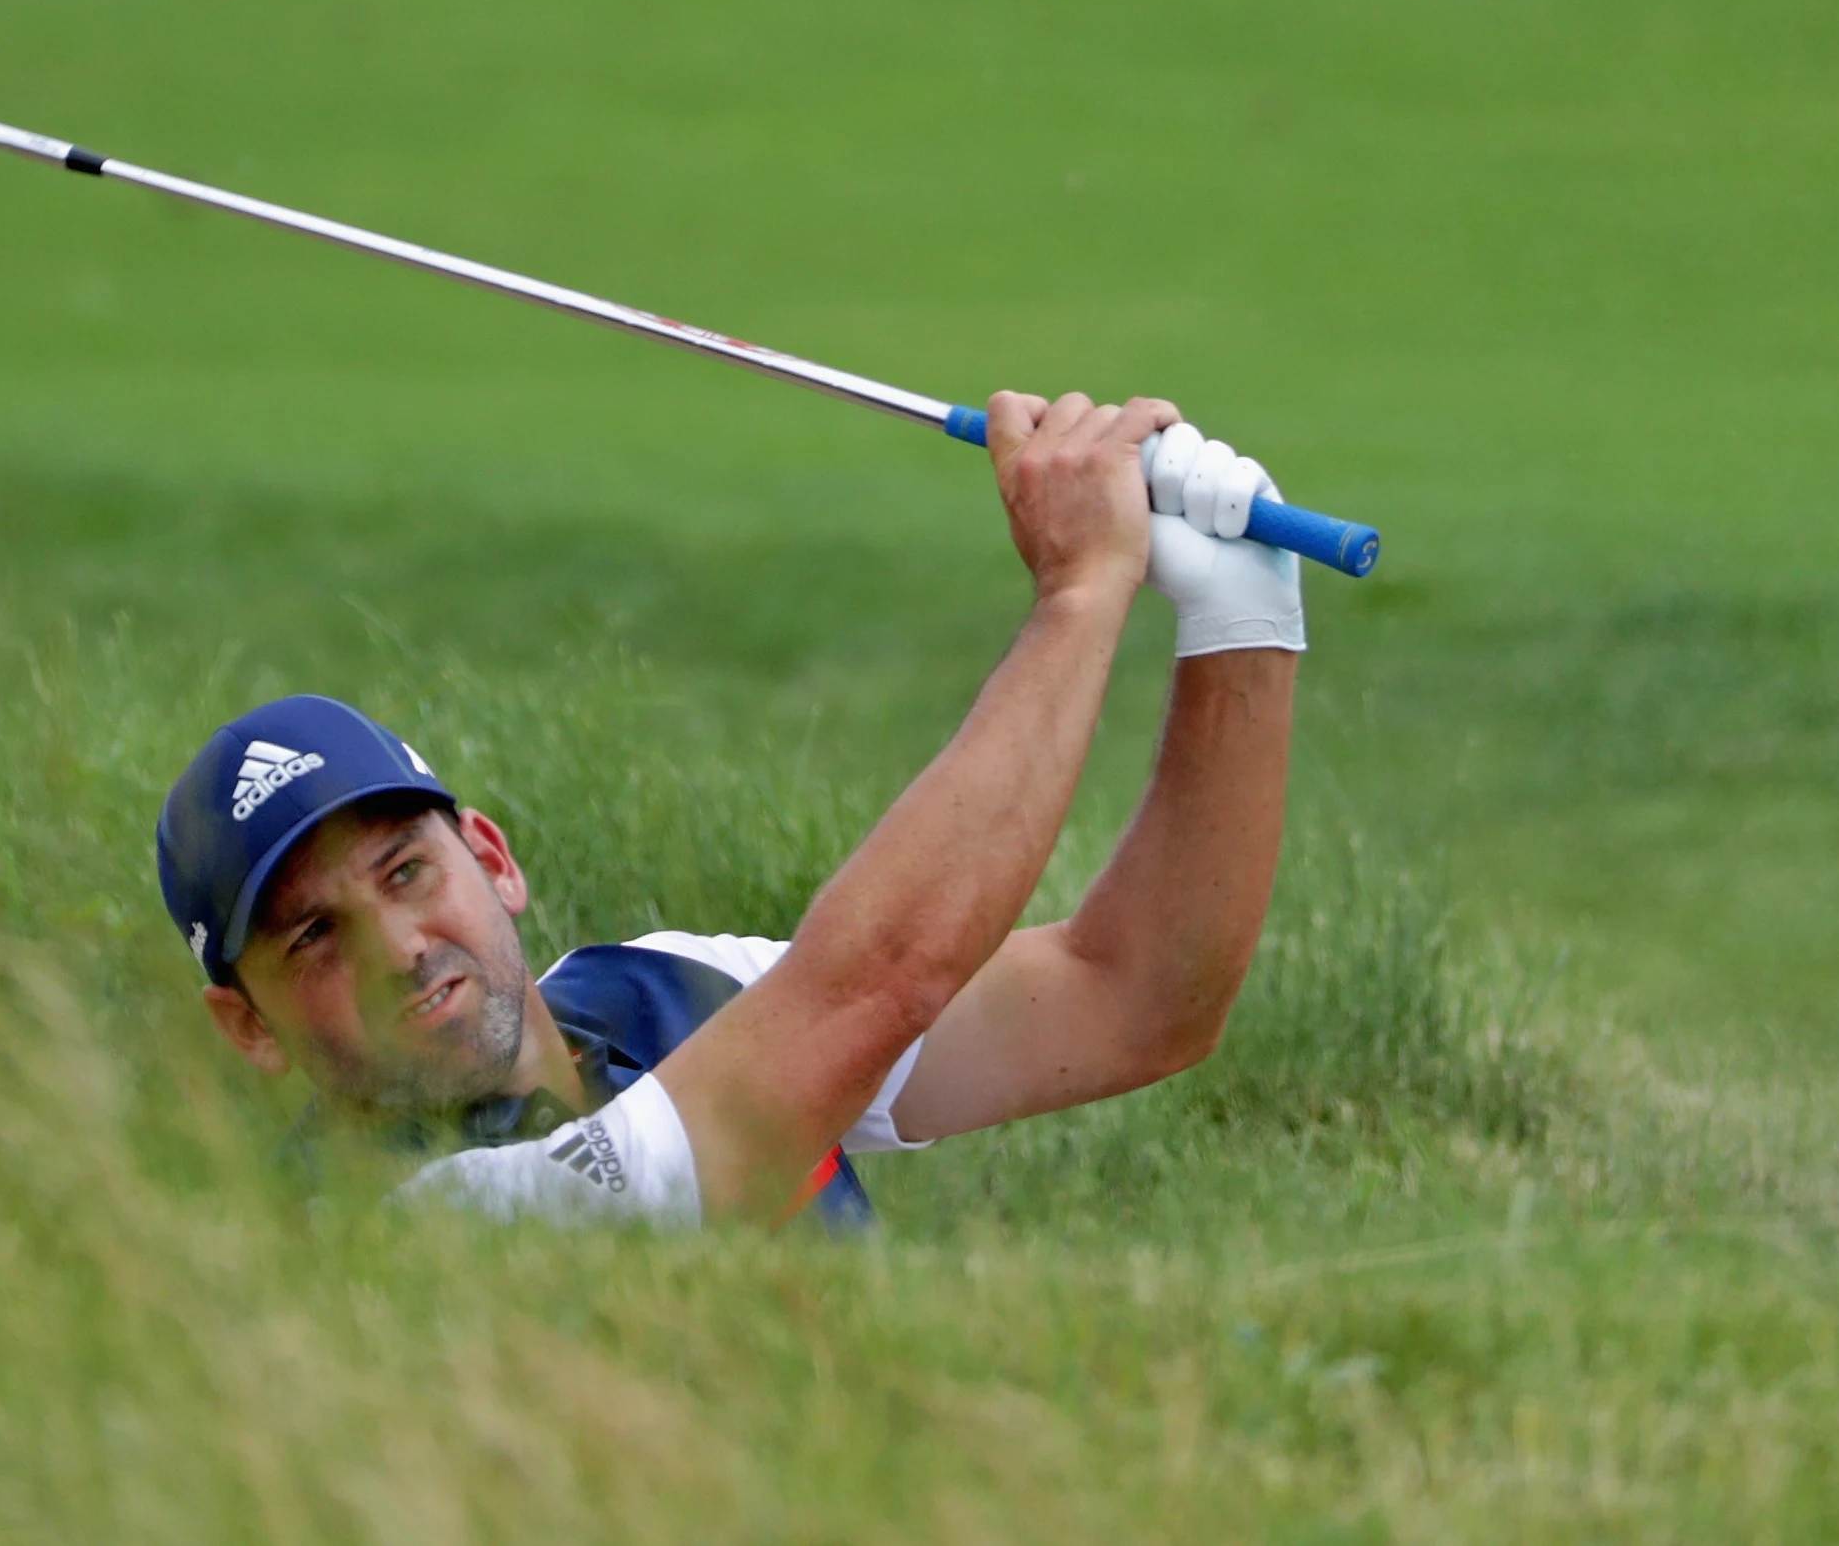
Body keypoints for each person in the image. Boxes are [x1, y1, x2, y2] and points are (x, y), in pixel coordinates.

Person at [155, 392, 1304, 1227]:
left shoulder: (663, 991)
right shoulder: (389, 1230)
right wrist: (1083, 590)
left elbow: (1137, 998)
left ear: (492, 858)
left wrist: (1242, 620)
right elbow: (877, 983)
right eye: (314, 937)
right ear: (248, 1026)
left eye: (406, 871)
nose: (398, 949)